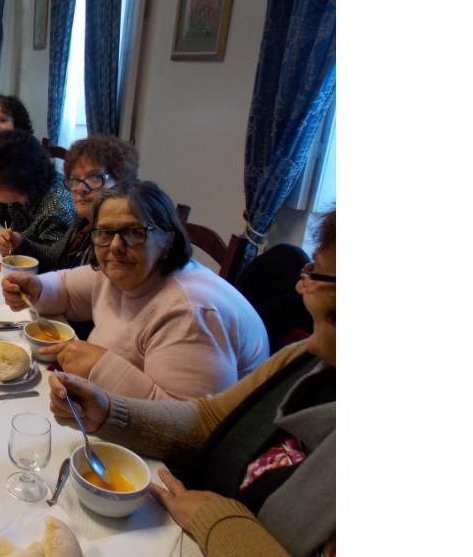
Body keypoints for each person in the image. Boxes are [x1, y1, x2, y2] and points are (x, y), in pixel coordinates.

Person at [48, 210, 336, 556]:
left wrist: (217, 523)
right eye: (104, 233)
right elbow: (212, 419)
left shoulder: (192, 308)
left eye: (316, 274)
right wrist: (110, 413)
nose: (300, 287)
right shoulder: (304, 359)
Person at [3, 180, 269, 400]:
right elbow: (66, 288)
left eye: (133, 232)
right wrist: (37, 288)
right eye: (105, 233)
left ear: (168, 240)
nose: (115, 246)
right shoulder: (121, 272)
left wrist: (100, 367)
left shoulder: (190, 312)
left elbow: (188, 424)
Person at [0, 136, 139, 273]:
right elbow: (53, 256)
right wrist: (20, 244)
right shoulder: (83, 221)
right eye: (75, 179)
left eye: (94, 177)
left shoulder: (122, 242)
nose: (81, 188)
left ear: (122, 181)